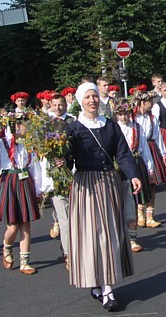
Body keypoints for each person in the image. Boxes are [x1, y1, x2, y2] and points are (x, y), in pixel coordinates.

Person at [55, 83, 141, 311]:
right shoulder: (72, 128)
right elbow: (68, 159)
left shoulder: (110, 125)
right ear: (80, 101)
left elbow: (122, 152)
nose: (92, 100)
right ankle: (100, 285)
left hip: (109, 184)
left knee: (110, 234)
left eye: (95, 96)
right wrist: (61, 161)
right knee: (92, 237)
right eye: (88, 97)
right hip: (86, 186)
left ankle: (106, 287)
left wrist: (133, 175)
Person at [0, 119, 44, 274]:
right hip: (9, 183)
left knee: (25, 224)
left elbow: (34, 167)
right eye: (17, 126)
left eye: (22, 125)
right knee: (13, 226)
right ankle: (7, 246)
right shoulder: (1, 144)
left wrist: (39, 189)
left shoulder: (29, 144)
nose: (20, 128)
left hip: (25, 182)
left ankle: (25, 262)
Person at [116, 98, 152, 253]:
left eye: (126, 114)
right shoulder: (113, 128)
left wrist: (149, 168)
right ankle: (118, 236)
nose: (124, 117)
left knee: (132, 200)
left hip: (134, 164)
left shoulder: (136, 127)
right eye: (120, 114)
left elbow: (144, 147)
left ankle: (132, 238)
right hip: (117, 169)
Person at [47, 93, 76, 259]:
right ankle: (67, 252)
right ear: (51, 106)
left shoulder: (73, 122)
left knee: (75, 216)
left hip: (73, 172)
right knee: (64, 216)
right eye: (55, 105)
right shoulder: (47, 124)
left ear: (66, 105)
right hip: (56, 175)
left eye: (61, 105)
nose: (58, 108)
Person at [134, 86, 166, 228]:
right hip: (138, 150)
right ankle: (139, 213)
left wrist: (163, 153)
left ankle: (150, 215)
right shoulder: (134, 118)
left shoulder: (152, 118)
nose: (152, 104)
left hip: (151, 148)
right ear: (142, 102)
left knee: (152, 183)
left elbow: (158, 137)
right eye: (149, 102)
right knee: (138, 183)